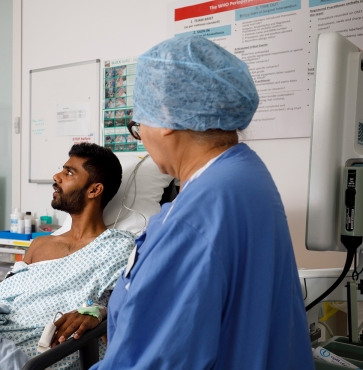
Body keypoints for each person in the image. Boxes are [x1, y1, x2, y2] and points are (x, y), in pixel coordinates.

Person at [91, 36, 314, 369]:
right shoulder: (245, 173)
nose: (143, 139)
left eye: (139, 125)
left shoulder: (193, 218)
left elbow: (154, 360)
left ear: (165, 120)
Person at [0, 143, 135, 369]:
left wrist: (100, 312)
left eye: (69, 172)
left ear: (94, 190)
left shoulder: (120, 247)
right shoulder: (39, 245)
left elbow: (131, 304)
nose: (57, 176)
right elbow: (3, 295)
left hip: (32, 353)